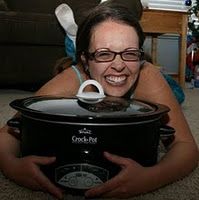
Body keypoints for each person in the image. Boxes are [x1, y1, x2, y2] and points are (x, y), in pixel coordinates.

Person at [0, 3, 198, 200]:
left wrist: (150, 178)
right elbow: (7, 135)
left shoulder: (147, 75)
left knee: (176, 94)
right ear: (85, 60)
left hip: (159, 86)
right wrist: (13, 167)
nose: (119, 66)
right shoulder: (72, 79)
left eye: (129, 53)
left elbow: (186, 147)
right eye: (104, 54)